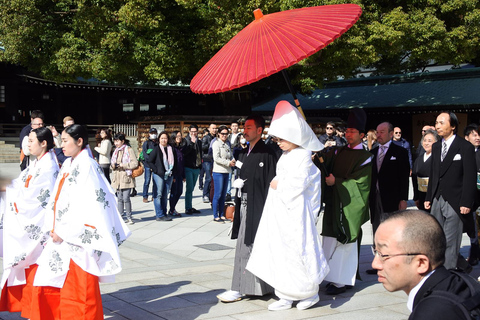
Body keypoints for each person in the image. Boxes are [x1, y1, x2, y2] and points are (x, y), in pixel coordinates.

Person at [30, 124, 130, 319]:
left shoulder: (87, 166)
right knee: (56, 281)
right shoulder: (69, 163)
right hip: (61, 231)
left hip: (76, 235)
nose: (62, 145)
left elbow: (88, 205)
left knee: (80, 286)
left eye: (65, 141)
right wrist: (53, 224)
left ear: (80, 141)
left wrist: (63, 230)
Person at [246, 101, 329, 311]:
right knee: (280, 250)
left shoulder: (303, 156)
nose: (279, 143)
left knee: (298, 250)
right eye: (277, 139)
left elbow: (299, 184)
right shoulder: (287, 154)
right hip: (281, 210)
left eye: (282, 139)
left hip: (296, 212)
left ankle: (308, 292)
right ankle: (284, 293)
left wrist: (278, 183)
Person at [373, 209, 480, 320]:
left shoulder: (432, 313)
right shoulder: (458, 282)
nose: (375, 264)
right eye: (376, 251)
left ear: (421, 263)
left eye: (383, 255)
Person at [216, 115, 278, 303]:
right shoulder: (243, 153)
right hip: (244, 203)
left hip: (259, 204)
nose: (245, 130)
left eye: (250, 127)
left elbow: (270, 182)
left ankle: (242, 288)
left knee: (250, 246)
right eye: (245, 127)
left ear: (260, 130)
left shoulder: (268, 153)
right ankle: (245, 286)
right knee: (244, 245)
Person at [0, 127, 59, 315]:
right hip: (34, 224)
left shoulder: (48, 166)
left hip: (39, 226)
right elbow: (21, 183)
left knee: (37, 269)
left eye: (32, 140)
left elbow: (35, 198)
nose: (28, 144)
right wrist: (7, 186)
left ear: (43, 143)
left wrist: (8, 191)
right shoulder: (36, 163)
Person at [319, 108, 372, 295]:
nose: (348, 134)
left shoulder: (366, 157)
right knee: (329, 240)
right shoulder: (338, 151)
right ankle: (331, 276)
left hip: (349, 205)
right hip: (334, 202)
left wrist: (337, 182)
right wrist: (318, 156)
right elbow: (323, 161)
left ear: (362, 135)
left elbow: (361, 185)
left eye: (352, 132)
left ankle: (342, 281)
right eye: (347, 131)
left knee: (345, 240)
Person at [425, 112, 477, 271]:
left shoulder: (465, 146)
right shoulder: (436, 146)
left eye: (441, 122)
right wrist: (429, 197)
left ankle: (448, 274)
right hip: (437, 199)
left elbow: (470, 177)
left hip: (456, 200)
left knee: (451, 239)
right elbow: (433, 174)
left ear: (453, 126)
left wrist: (467, 202)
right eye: (436, 123)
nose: (437, 126)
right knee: (437, 239)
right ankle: (461, 266)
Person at [367, 122, 410, 274]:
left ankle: (393, 263)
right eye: (377, 132)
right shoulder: (372, 152)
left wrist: (403, 199)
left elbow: (404, 177)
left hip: (392, 197)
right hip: (375, 197)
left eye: (382, 132)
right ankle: (379, 261)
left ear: (391, 134)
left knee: (391, 230)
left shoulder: (400, 152)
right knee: (376, 228)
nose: (378, 135)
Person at [147, 131, 177, 221]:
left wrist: (173, 173)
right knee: (158, 194)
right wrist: (155, 170)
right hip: (159, 175)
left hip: (169, 174)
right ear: (159, 139)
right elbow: (149, 161)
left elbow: (174, 162)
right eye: (162, 138)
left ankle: (164, 213)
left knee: (165, 194)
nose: (164, 140)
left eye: (165, 138)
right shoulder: (156, 149)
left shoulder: (171, 149)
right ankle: (159, 214)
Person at [111, 133, 138, 225]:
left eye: (118, 141)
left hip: (126, 177)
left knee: (126, 198)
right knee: (119, 199)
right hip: (117, 177)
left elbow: (135, 163)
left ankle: (129, 217)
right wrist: (113, 166)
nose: (116, 143)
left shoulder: (128, 150)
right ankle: (120, 217)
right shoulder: (116, 151)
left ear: (122, 141)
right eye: (115, 141)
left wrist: (124, 165)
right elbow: (112, 163)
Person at [211, 125, 236, 223]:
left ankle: (222, 214)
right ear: (218, 134)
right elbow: (216, 158)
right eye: (222, 134)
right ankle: (215, 214)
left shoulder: (227, 144)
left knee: (223, 195)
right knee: (217, 194)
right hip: (219, 171)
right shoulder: (216, 144)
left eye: (226, 134)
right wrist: (228, 163)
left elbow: (230, 155)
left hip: (227, 171)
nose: (224, 136)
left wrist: (233, 161)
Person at [412, 129, 439, 212]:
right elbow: (414, 178)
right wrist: (416, 197)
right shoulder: (419, 159)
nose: (426, 143)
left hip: (434, 196)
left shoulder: (438, 158)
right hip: (421, 194)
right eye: (424, 140)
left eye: (430, 141)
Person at [183, 125, 203, 215]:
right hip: (188, 167)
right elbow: (185, 153)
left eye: (195, 131)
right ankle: (188, 208)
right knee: (189, 188)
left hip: (196, 167)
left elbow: (200, 153)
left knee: (192, 188)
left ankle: (190, 206)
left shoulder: (199, 141)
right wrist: (191, 143)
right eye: (192, 131)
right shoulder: (186, 140)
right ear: (189, 131)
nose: (194, 133)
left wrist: (200, 166)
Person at [168, 131, 185, 217]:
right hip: (174, 174)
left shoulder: (180, 148)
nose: (179, 137)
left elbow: (182, 162)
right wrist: (173, 175)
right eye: (177, 136)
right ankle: (171, 209)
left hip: (180, 173)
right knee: (174, 192)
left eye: (180, 136)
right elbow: (172, 162)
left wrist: (183, 175)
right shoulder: (171, 148)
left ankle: (172, 208)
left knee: (180, 191)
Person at [141, 128, 158, 203]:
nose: (153, 134)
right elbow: (145, 154)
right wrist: (150, 164)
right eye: (152, 133)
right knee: (147, 181)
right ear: (149, 134)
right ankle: (145, 196)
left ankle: (154, 195)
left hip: (156, 165)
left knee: (155, 181)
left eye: (155, 133)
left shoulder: (158, 142)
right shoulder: (146, 143)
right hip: (148, 165)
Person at [202, 123, 217, 203]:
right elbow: (202, 147)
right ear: (209, 129)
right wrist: (210, 145)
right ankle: (205, 195)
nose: (214, 130)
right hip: (207, 159)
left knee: (213, 179)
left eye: (215, 128)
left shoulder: (216, 137)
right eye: (213, 128)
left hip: (214, 160)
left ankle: (211, 194)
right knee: (208, 178)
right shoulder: (206, 137)